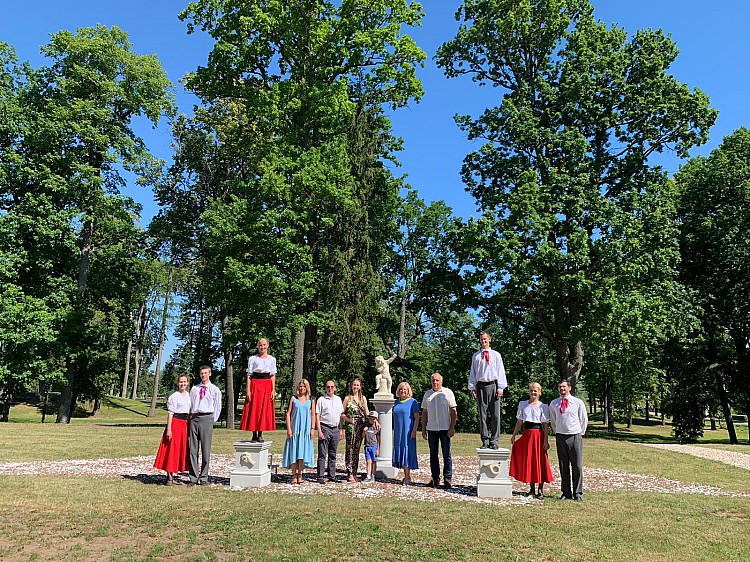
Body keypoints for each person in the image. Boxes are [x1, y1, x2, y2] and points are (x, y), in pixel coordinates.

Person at [509, 382, 554, 499]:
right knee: (529, 459)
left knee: (539, 460)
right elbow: (519, 421)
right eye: (531, 390)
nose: (533, 392)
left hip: (538, 435)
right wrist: (514, 435)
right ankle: (532, 488)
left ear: (539, 392)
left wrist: (545, 440)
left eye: (535, 391)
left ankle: (540, 489)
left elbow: (545, 425)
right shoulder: (523, 404)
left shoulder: (543, 406)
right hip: (527, 435)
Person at [549, 380, 588, 502]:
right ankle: (566, 492)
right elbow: (553, 420)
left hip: (575, 435)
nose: (562, 389)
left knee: (577, 465)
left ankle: (577, 493)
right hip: (561, 436)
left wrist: (580, 433)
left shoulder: (577, 402)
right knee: (563, 465)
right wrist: (557, 431)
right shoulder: (554, 403)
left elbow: (583, 419)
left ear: (569, 388)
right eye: (560, 387)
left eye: (564, 387)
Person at [469, 331, 507, 449]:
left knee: (495, 415)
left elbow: (500, 371)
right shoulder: (476, 356)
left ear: (489, 340)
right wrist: (473, 387)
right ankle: (485, 440)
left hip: (493, 385)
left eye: (485, 339)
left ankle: (494, 440)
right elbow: (473, 372)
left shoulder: (496, 355)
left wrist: (500, 387)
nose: (483, 341)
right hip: (480, 386)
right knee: (483, 415)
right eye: (481, 339)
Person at [420, 373, 457, 489]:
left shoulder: (448, 393)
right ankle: (435, 478)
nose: (435, 383)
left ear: (441, 381)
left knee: (446, 454)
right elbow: (424, 412)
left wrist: (452, 427)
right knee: (433, 455)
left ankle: (447, 479)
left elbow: (453, 411)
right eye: (433, 381)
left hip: (445, 428)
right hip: (431, 428)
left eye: (437, 380)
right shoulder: (427, 394)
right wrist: (423, 428)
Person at [153, 373, 191, 485]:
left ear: (187, 383)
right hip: (175, 423)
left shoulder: (190, 396)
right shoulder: (174, 396)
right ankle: (169, 477)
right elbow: (170, 413)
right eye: (180, 382)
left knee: (181, 449)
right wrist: (169, 429)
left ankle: (177, 472)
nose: (182, 384)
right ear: (177, 383)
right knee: (171, 449)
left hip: (185, 424)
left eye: (184, 382)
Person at [188, 365, 222, 486]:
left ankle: (203, 477)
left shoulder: (214, 390)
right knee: (193, 449)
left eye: (206, 373)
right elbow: (190, 404)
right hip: (194, 418)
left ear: (210, 374)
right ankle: (193, 477)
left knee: (206, 449)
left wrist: (212, 420)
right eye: (202, 373)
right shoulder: (194, 389)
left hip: (207, 418)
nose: (203, 375)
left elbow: (218, 406)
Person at [240, 338, 277, 442]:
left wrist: (273, 390)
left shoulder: (272, 359)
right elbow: (249, 375)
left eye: (264, 345)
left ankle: (260, 434)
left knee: (263, 409)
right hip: (255, 384)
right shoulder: (253, 359)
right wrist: (248, 390)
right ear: (257, 346)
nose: (262, 347)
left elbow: (272, 375)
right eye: (260, 345)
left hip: (266, 385)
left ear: (268, 345)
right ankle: (254, 434)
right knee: (254, 408)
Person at [282, 379, 316, 485]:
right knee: (294, 452)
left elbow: (313, 415)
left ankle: (300, 475)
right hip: (295, 430)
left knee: (302, 453)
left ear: (307, 388)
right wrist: (289, 429)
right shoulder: (294, 399)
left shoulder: (311, 400)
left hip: (305, 430)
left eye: (304, 386)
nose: (302, 388)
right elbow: (288, 414)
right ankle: (293, 475)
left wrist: (312, 428)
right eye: (300, 386)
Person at [315, 379, 345, 484]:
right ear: (325, 388)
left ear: (335, 388)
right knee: (322, 454)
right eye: (328, 387)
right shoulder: (321, 400)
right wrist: (319, 431)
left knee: (333, 454)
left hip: (335, 429)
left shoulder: (338, 399)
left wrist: (341, 429)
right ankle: (320, 476)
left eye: (332, 387)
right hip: (325, 428)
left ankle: (332, 475)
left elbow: (340, 416)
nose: (330, 389)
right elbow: (317, 416)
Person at [342, 377, 370, 482]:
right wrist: (348, 420)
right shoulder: (347, 399)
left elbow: (367, 413)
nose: (356, 387)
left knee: (356, 450)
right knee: (350, 449)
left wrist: (373, 420)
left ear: (360, 387)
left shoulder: (363, 399)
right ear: (351, 386)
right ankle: (349, 473)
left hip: (360, 427)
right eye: (354, 385)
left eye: (357, 385)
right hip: (351, 427)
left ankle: (354, 472)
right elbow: (341, 413)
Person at [392, 381, 420, 485]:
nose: (403, 391)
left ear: (408, 391)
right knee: (400, 450)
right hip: (398, 432)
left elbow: (417, 417)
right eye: (401, 389)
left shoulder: (413, 402)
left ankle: (408, 476)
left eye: (405, 389)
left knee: (407, 451)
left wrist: (414, 430)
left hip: (408, 432)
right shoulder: (396, 402)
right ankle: (405, 475)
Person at [362, 411, 380, 483]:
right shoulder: (366, 425)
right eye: (371, 418)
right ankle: (368, 476)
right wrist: (364, 431)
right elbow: (362, 436)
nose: (372, 420)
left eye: (373, 418)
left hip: (374, 446)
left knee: (374, 461)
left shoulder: (377, 427)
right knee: (368, 461)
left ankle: (373, 475)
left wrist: (378, 448)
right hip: (367, 445)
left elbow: (379, 438)